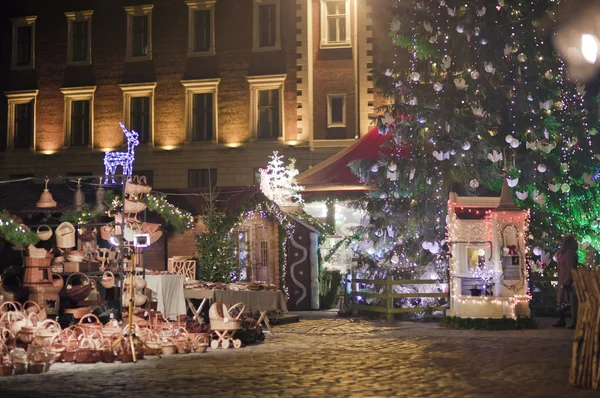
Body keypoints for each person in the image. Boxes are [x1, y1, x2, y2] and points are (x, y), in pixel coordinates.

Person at [553, 235, 578, 329]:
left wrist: (567, 282)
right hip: (563, 280)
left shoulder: (569, 254)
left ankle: (573, 321)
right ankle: (562, 320)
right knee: (562, 301)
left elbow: (571, 269)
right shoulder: (567, 253)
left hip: (566, 281)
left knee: (567, 301)